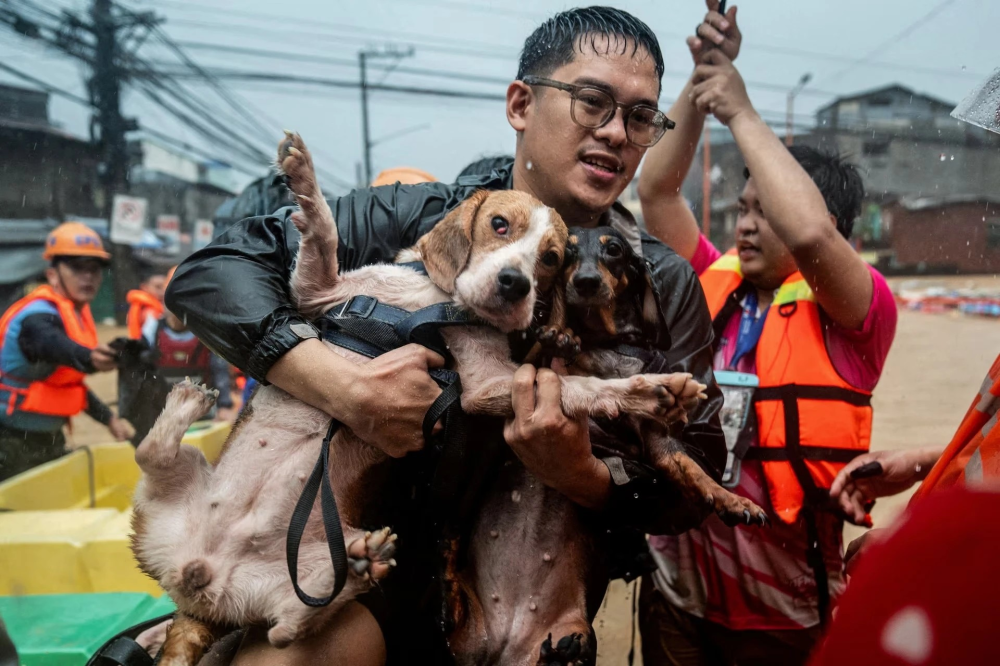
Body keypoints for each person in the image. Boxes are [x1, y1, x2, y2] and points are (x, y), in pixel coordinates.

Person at [166, 7, 726, 665]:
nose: (614, 133)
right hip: (356, 557)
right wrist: (340, 384)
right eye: (591, 102)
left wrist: (586, 475)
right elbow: (212, 273)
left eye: (639, 118)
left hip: (530, 607)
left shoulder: (658, 279)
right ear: (521, 103)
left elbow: (699, 472)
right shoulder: (416, 217)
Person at [636, 3, 898, 663]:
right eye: (743, 209)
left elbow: (810, 234)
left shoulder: (857, 315)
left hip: (782, 614)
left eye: (766, 211)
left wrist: (742, 112)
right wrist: (701, 83)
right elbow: (657, 191)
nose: (745, 226)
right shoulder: (707, 279)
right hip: (679, 593)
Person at [0, 222, 134, 481]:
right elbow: (51, 343)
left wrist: (109, 420)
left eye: (94, 269)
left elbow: (67, 384)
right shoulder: (37, 317)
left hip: (46, 440)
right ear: (52, 275)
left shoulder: (74, 313)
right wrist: (90, 358)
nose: (88, 277)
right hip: (8, 443)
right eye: (77, 268)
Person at [125, 267, 168, 340]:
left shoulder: (158, 305)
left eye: (165, 287)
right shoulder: (149, 312)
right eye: (158, 287)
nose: (163, 291)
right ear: (144, 287)